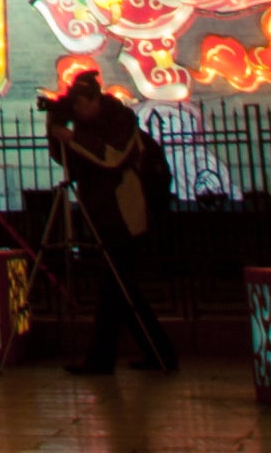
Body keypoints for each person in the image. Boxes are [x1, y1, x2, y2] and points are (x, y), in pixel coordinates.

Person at [39, 57, 178, 371]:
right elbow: (67, 160)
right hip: (101, 213)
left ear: (93, 100)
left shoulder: (120, 121)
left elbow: (112, 158)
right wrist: (55, 129)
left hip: (127, 215)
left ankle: (104, 359)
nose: (77, 112)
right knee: (121, 290)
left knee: (114, 288)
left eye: (79, 105)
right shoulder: (86, 126)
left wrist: (72, 137)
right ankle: (159, 355)